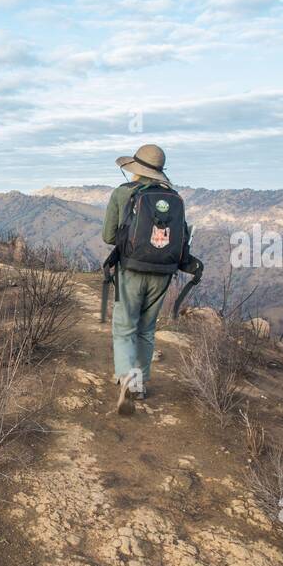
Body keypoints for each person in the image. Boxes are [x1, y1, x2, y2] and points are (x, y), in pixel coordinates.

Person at [101, 144, 193, 415]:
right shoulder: (174, 198)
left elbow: (108, 236)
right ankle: (139, 386)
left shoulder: (123, 193)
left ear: (136, 170)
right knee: (146, 328)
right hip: (163, 273)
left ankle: (127, 379)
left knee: (125, 327)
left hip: (132, 269)